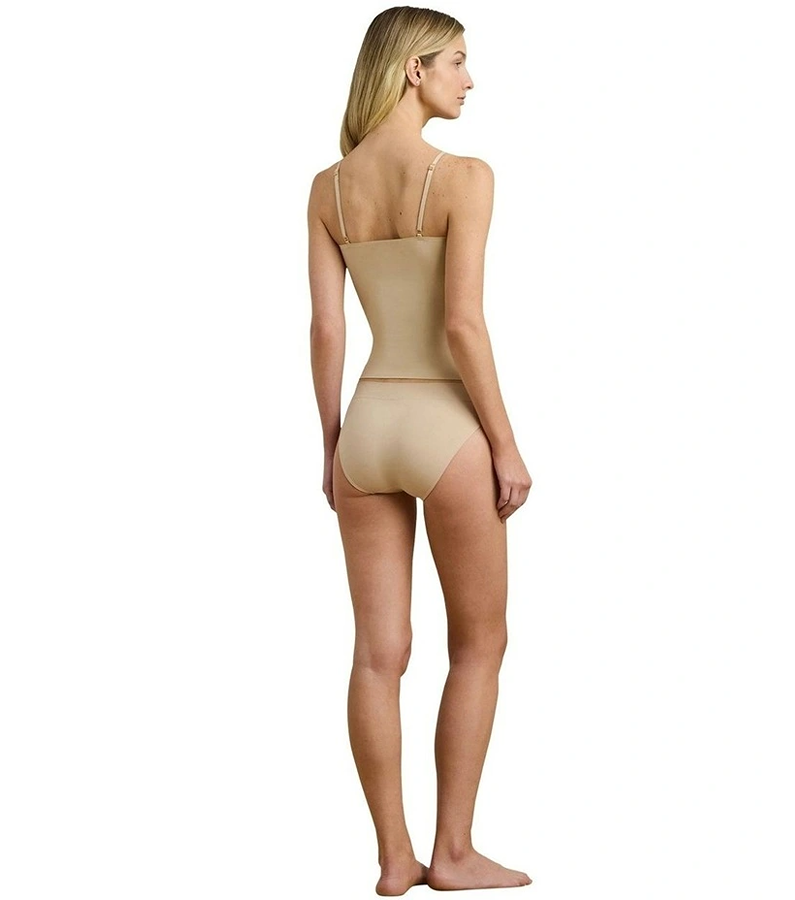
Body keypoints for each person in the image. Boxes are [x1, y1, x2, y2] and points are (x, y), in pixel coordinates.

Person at [307, 6, 532, 895]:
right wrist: (506, 446)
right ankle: (454, 853)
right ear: (413, 70)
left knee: (377, 653)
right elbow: (463, 325)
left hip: (367, 423)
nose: (469, 80)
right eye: (458, 61)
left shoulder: (328, 188)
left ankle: (394, 859)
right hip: (445, 426)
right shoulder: (463, 177)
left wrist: (331, 444)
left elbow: (328, 329)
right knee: (480, 643)